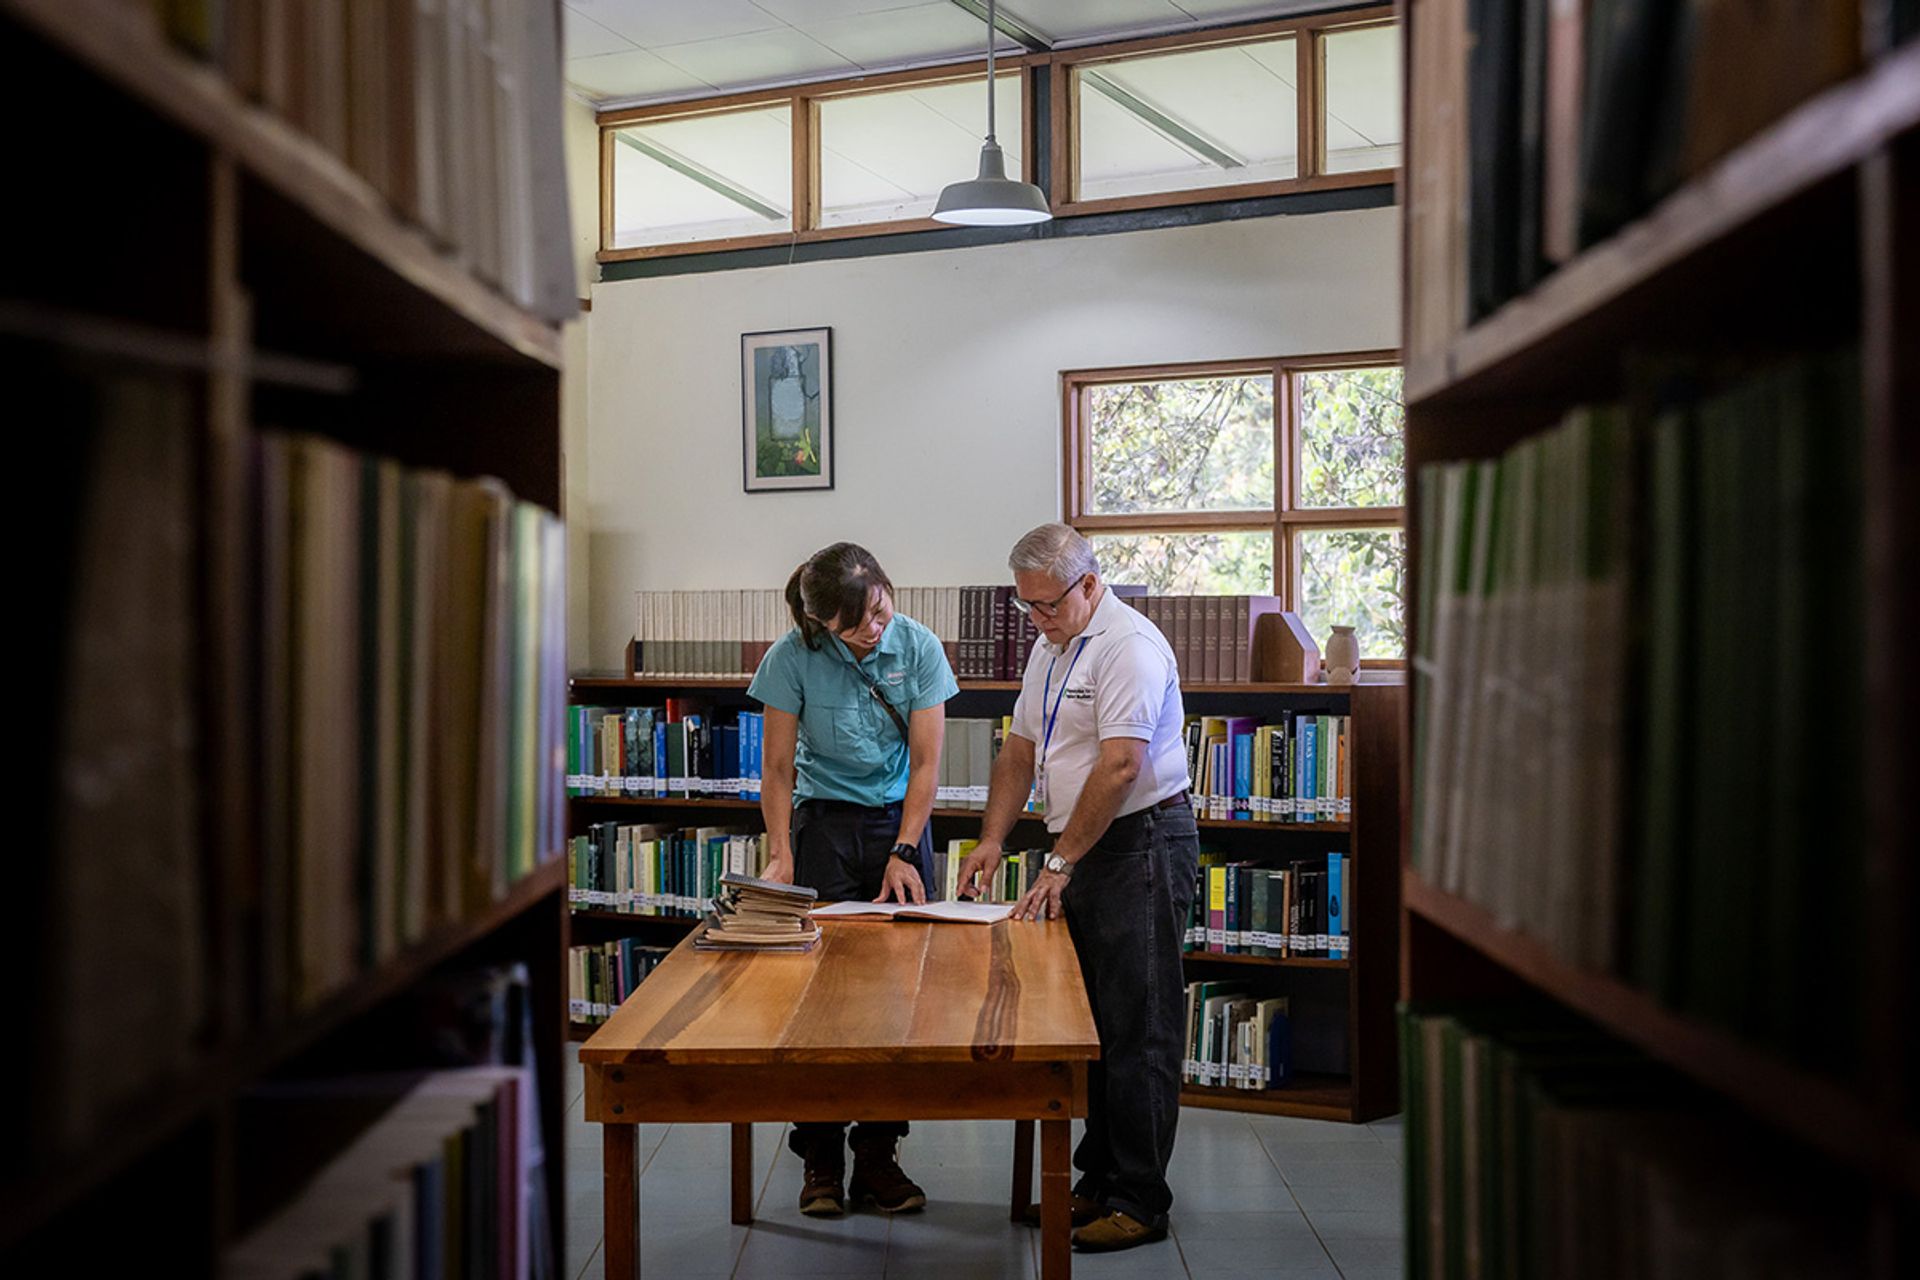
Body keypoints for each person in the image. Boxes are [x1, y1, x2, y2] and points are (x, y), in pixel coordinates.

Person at [956, 524, 1197, 1254]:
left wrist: (1059, 863)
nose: (1037, 618)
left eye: (1048, 604)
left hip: (1140, 843)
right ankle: (1093, 1183)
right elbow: (1021, 749)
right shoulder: (1051, 644)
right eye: (1026, 606)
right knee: (1088, 1027)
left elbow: (1122, 766)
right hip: (1086, 845)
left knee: (1139, 1028)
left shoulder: (1129, 646)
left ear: (1091, 584)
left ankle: (1140, 1200)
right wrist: (993, 838)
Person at [748, 541, 958, 1217]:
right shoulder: (791, 657)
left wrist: (904, 847)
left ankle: (878, 1158)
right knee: (819, 999)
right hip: (825, 830)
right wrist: (780, 852)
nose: (873, 628)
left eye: (877, 609)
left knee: (897, 998)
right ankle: (819, 1159)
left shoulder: (919, 647)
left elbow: (926, 764)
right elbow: (777, 769)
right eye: (854, 625)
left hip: (899, 828)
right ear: (822, 626)